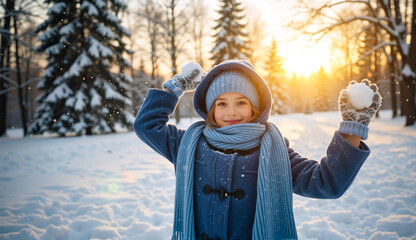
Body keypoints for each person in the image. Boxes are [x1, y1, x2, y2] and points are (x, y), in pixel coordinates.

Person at [134, 60, 381, 240]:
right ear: (210, 109)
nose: (231, 112)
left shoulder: (273, 150)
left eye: (241, 102)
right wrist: (176, 86)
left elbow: (325, 182)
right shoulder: (190, 144)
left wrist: (353, 127)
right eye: (222, 104)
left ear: (255, 108)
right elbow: (147, 125)